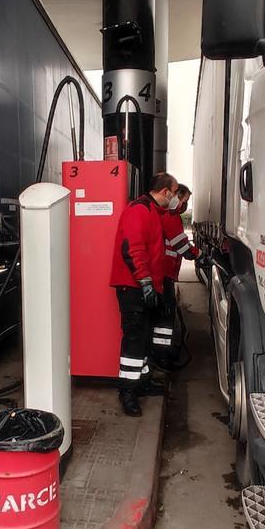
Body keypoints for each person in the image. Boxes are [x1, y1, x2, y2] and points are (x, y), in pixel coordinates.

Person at [109, 172, 179, 416]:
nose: (176, 198)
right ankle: (127, 392)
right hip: (133, 288)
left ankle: (143, 382)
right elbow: (133, 249)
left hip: (144, 287)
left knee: (145, 337)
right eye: (175, 191)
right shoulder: (138, 210)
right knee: (135, 340)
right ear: (165, 191)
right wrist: (146, 283)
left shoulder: (154, 213)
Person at [153, 185, 201, 363]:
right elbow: (182, 246)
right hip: (164, 272)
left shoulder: (165, 215)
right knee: (166, 313)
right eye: (184, 200)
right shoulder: (170, 217)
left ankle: (162, 351)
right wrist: (199, 254)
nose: (184, 205)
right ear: (176, 197)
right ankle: (162, 355)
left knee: (165, 312)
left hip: (165, 271)